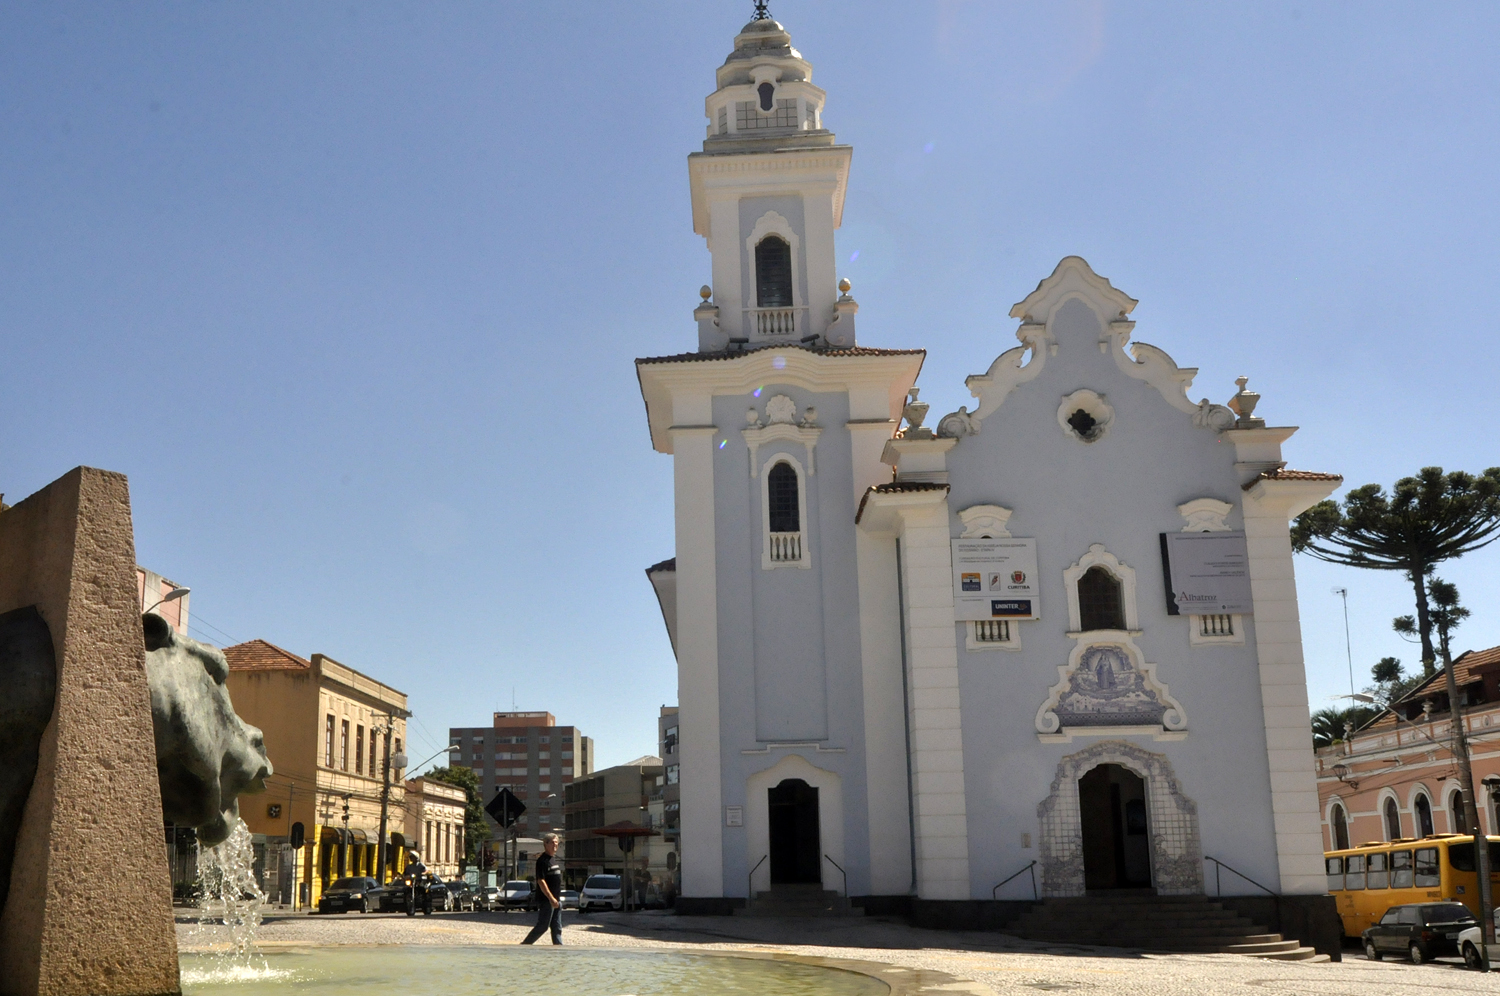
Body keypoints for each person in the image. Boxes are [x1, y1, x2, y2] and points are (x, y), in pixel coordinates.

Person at [520, 833, 563, 945]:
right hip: (547, 901)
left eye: (556, 842)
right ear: (546, 844)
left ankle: (560, 950)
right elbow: (541, 881)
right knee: (543, 926)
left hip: (557, 900)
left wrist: (556, 899)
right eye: (552, 842)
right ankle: (525, 946)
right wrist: (551, 898)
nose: (555, 844)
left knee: (557, 928)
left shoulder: (553, 860)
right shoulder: (542, 861)